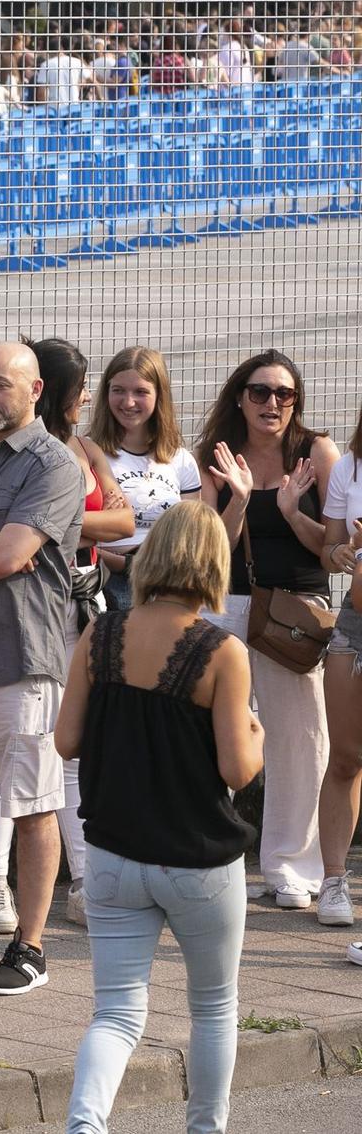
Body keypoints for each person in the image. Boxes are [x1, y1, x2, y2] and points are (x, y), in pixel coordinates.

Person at [56, 503, 262, 1134]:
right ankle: (206, 1128)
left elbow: (66, 742)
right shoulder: (222, 651)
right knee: (214, 1007)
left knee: (115, 1013)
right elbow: (236, 769)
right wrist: (255, 730)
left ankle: (85, 1125)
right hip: (199, 858)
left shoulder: (102, 632)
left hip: (114, 853)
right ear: (212, 565)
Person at [0, 342, 84, 996]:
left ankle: (29, 944)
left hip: (25, 656)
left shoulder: (56, 464)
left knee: (31, 803)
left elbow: (4, 556)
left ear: (34, 390)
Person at [197, 350, 338, 911]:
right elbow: (211, 549)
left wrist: (289, 509)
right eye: (260, 392)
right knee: (214, 736)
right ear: (240, 397)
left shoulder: (316, 453)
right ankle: (208, 858)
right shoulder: (216, 456)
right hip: (227, 607)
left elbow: (331, 554)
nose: (272, 404)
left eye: (284, 394)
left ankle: (290, 870)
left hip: (295, 614)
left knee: (302, 742)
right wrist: (237, 496)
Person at [23, 337, 134, 932]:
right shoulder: (20, 451)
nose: (89, 396)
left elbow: (122, 519)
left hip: (81, 608)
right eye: (82, 385)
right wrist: (58, 519)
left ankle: (86, 878)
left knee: (72, 743)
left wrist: (48, 516)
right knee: (17, 744)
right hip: (29, 609)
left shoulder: (85, 447)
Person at [89, 347, 201, 612]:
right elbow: (79, 533)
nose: (128, 402)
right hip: (108, 582)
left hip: (167, 586)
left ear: (159, 395)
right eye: (118, 390)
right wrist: (126, 564)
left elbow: (192, 535)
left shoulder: (181, 459)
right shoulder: (90, 453)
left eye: (140, 392)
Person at [318, 407, 362, 929]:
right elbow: (329, 550)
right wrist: (345, 551)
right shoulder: (351, 466)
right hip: (355, 616)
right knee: (346, 756)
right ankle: (333, 878)